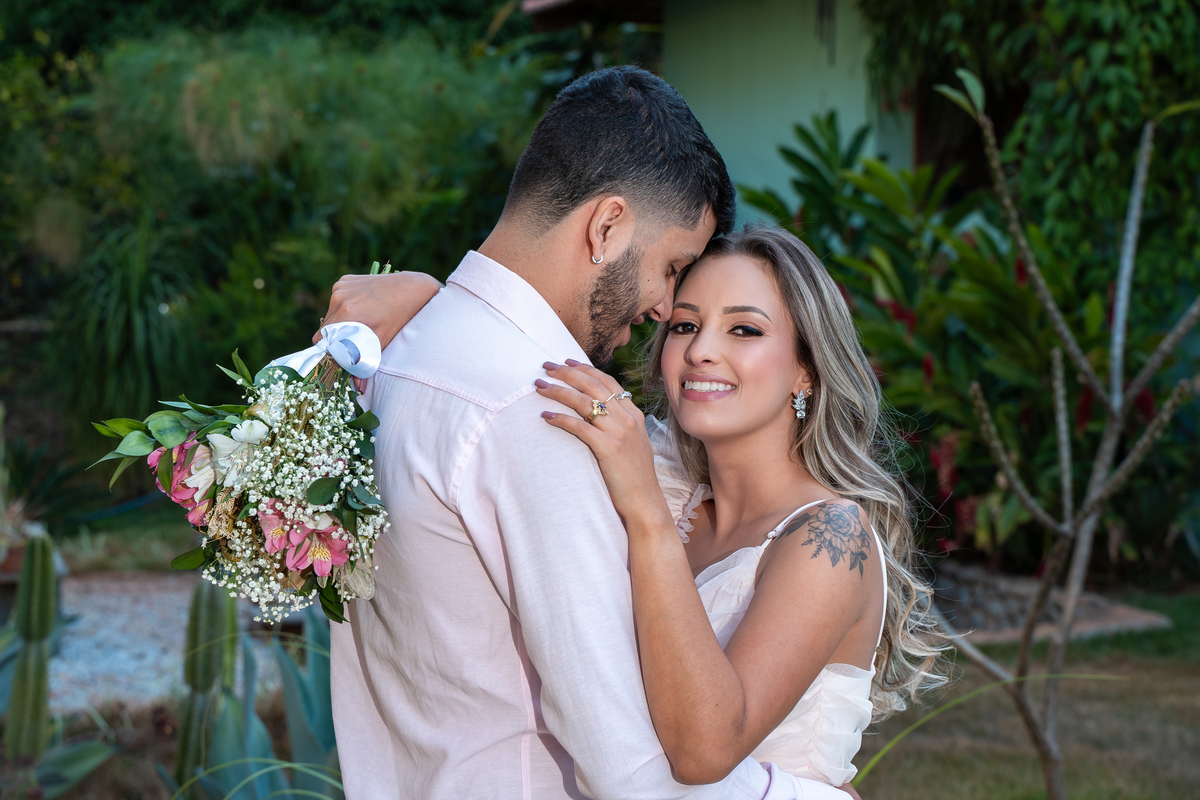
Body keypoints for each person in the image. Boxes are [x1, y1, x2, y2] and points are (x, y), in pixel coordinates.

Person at [324, 66, 855, 799]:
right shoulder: (541, 411)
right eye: (673, 272)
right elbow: (632, 771)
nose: (665, 310)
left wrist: (426, 290)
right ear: (606, 227)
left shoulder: (395, 362)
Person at [328, 225, 946, 795]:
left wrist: (646, 515)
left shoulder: (829, 537)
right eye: (684, 325)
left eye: (745, 329)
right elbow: (507, 357)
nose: (702, 350)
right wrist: (431, 296)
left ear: (806, 371)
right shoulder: (670, 481)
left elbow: (705, 751)